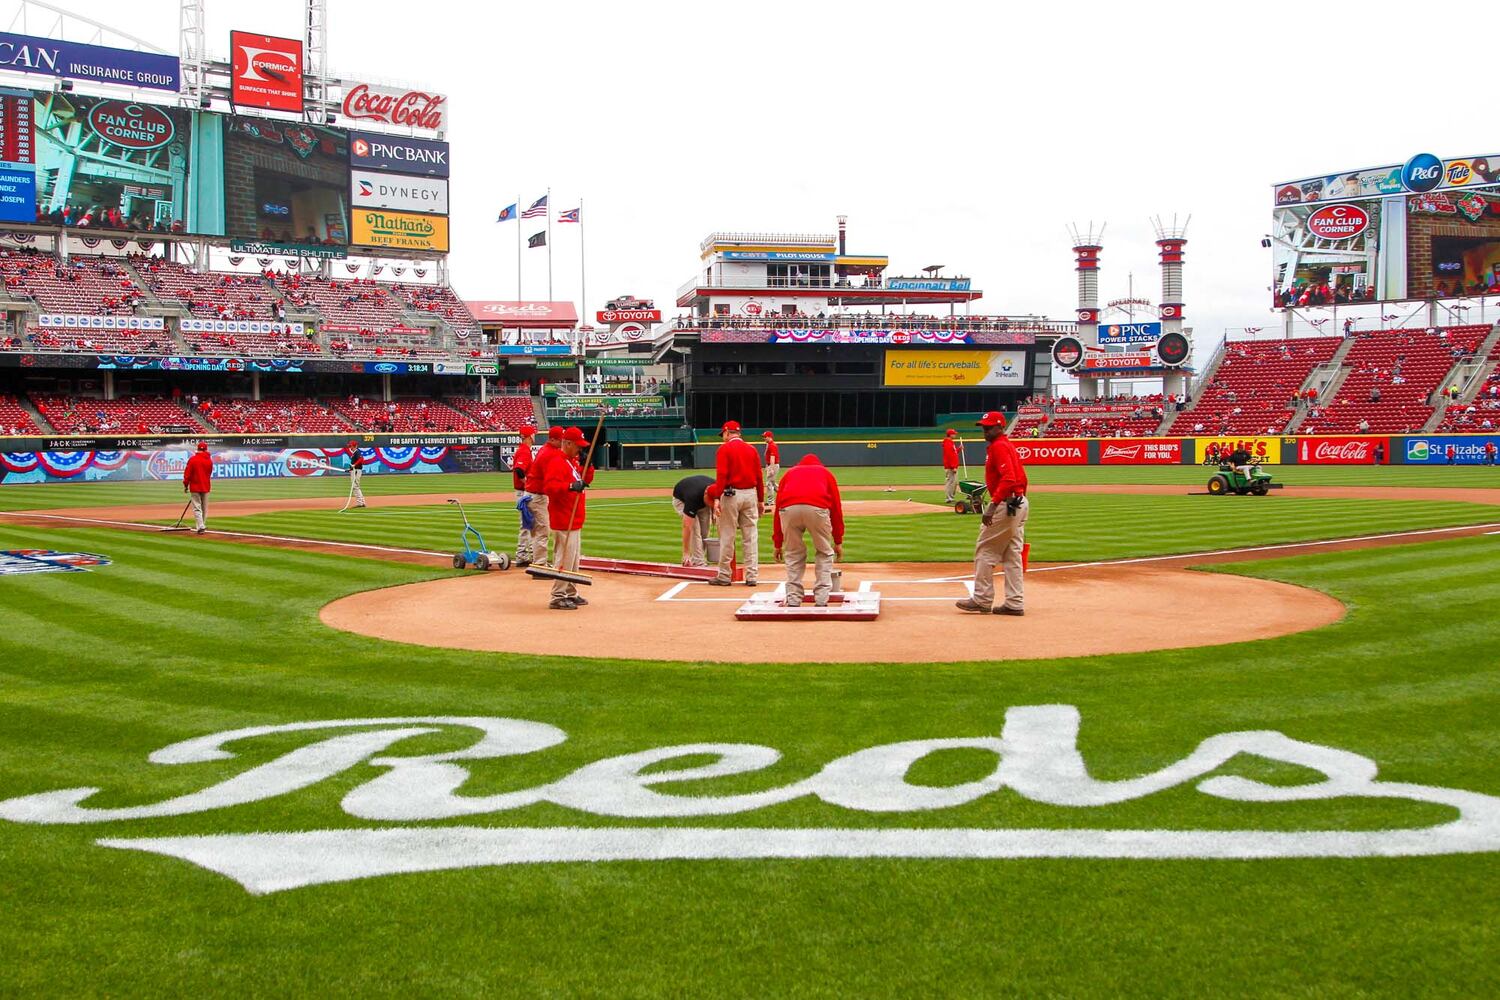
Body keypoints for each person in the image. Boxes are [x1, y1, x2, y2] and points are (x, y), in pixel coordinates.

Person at [956, 412, 1028, 616]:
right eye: (983, 427)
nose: (985, 431)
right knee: (1012, 555)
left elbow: (1009, 478)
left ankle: (981, 599)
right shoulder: (1005, 445)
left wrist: (992, 505)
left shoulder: (999, 447)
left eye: (989, 427)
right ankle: (1015, 603)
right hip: (1017, 502)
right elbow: (1020, 478)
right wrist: (1018, 499)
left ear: (1000, 428)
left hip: (1007, 504)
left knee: (985, 550)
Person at [771, 454, 845, 607]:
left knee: (792, 554)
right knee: (824, 552)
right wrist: (838, 540)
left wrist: (777, 543)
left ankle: (793, 599)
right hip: (817, 509)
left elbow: (777, 508)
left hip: (788, 510)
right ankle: (822, 599)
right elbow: (836, 509)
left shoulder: (790, 473)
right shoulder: (825, 473)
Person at [707, 420, 764, 587]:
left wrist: (717, 497)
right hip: (751, 494)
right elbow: (759, 477)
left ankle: (724, 576)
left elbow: (722, 475)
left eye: (723, 435)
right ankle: (752, 576)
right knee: (751, 536)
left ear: (726, 432)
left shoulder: (724, 449)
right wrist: (760, 500)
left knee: (727, 535)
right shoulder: (752, 449)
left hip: (731, 495)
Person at [542, 427, 594, 610]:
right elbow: (550, 487)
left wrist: (589, 464)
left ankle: (571, 592)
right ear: (568, 443)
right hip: (564, 518)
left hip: (574, 517)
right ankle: (558, 596)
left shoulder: (570, 461)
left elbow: (584, 480)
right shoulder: (557, 461)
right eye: (578, 446)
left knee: (573, 559)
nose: (580, 449)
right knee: (564, 559)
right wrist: (571, 486)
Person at [523, 427, 564, 567]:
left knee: (539, 531)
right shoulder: (548, 453)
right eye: (560, 440)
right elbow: (550, 479)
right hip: (537, 496)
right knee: (542, 531)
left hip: (534, 495)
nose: (562, 443)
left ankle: (539, 563)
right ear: (552, 439)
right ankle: (540, 565)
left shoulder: (549, 450)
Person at [672, 473, 715, 567]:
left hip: (702, 500)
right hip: (682, 500)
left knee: (705, 532)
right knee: (695, 530)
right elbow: (687, 527)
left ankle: (699, 557)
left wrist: (714, 511)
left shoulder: (716, 489)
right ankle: (699, 562)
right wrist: (686, 552)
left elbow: (715, 500)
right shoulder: (692, 497)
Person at [510, 424, 537, 566]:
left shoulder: (523, 450)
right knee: (528, 524)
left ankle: (524, 555)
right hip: (524, 492)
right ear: (530, 436)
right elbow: (519, 470)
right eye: (533, 434)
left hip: (522, 491)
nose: (534, 436)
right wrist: (527, 484)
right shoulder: (524, 451)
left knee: (528, 524)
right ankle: (523, 555)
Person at [183, 442, 213, 535]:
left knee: (197, 507)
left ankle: (200, 526)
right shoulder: (209, 460)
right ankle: (202, 525)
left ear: (198, 449)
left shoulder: (193, 459)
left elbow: (187, 474)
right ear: (206, 449)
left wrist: (186, 485)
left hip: (195, 486)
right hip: (206, 486)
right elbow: (209, 473)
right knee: (204, 508)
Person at [761, 430, 781, 511]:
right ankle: (783, 494)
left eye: (765, 437)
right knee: (772, 483)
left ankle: (770, 502)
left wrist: (771, 468)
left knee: (769, 483)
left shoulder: (772, 445)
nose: (764, 438)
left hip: (773, 465)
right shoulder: (769, 444)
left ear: (769, 437)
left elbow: (772, 457)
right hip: (771, 465)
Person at [941, 429, 961, 504]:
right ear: (950, 434)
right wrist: (953, 466)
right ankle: (948, 498)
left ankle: (951, 497)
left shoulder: (951, 442)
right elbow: (949, 455)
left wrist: (959, 449)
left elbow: (954, 453)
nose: (955, 435)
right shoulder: (948, 442)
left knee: (954, 482)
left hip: (952, 466)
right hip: (950, 467)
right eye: (954, 434)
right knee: (951, 482)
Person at [346, 441, 367, 508]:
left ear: (354, 446)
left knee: (355, 486)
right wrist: (350, 469)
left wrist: (354, 465)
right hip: (354, 471)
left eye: (351, 446)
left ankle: (360, 503)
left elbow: (361, 459)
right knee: (356, 486)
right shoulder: (354, 453)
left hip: (356, 471)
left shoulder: (357, 452)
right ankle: (362, 502)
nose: (350, 447)